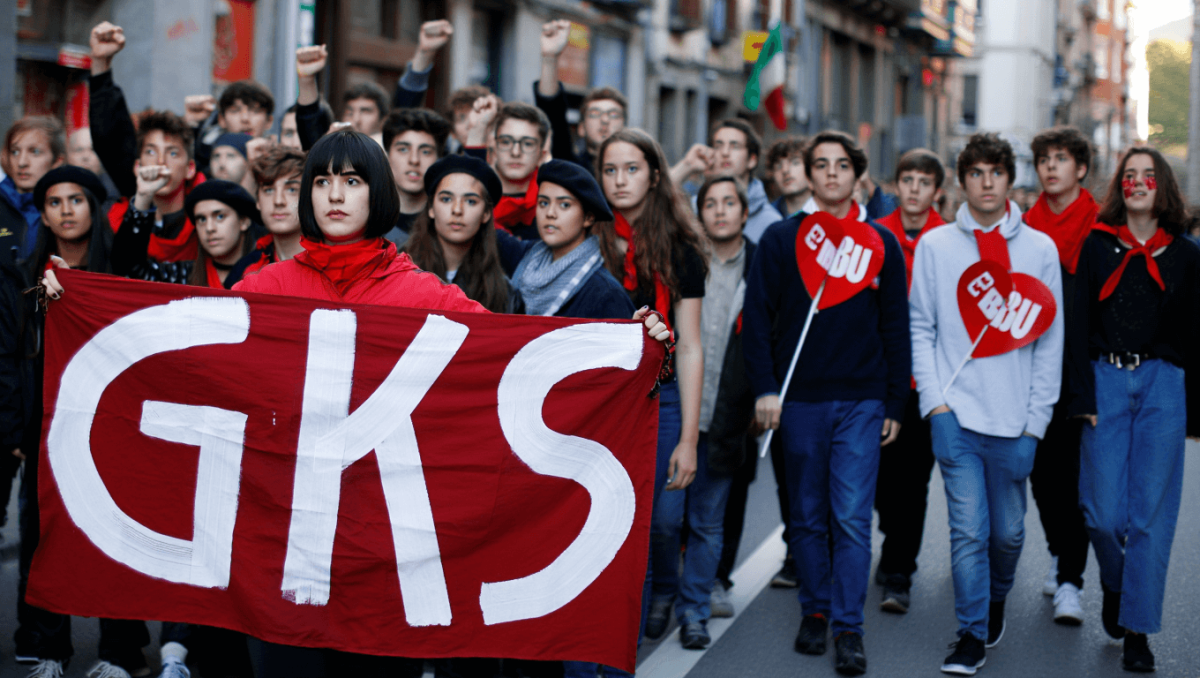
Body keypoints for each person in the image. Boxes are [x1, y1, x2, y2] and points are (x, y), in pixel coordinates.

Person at [32, 128, 669, 678]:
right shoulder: (267, 288)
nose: (335, 195)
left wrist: (636, 351)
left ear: (379, 194)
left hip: (385, 554)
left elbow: (509, 365)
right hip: (285, 544)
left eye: (354, 181)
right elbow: (180, 359)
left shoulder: (423, 293)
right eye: (323, 182)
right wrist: (78, 304)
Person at [743, 130, 910, 676]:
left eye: (842, 165)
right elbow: (759, 322)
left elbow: (895, 326)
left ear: (858, 174)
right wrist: (767, 388)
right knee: (809, 516)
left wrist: (894, 403)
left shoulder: (881, 243)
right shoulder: (780, 240)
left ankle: (848, 627)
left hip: (862, 399)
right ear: (808, 174)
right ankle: (813, 609)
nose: (832, 173)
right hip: (799, 400)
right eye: (821, 164)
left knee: (852, 518)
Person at [909, 133, 1063, 676]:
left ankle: (996, 599)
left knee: (1009, 533)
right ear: (962, 181)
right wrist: (936, 406)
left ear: (1011, 177)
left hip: (1015, 421)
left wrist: (1034, 425)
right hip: (957, 416)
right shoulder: (936, 247)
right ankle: (970, 633)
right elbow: (921, 327)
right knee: (969, 530)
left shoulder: (1040, 250)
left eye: (996, 171)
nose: (987, 182)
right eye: (975, 172)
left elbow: (1049, 344)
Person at [1067, 146, 1199, 673]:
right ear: (1119, 187)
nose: (1138, 183)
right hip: (1106, 380)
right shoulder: (1098, 246)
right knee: (1102, 514)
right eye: (1129, 176)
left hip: (1164, 386)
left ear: (1162, 186)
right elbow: (1077, 325)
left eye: (1148, 175)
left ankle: (1138, 630)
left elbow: (1197, 335)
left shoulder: (1188, 255)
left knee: (1150, 517)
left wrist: (1196, 412)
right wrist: (1081, 395)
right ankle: (1116, 583)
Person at [595, 128, 705, 658]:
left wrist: (689, 439)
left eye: (632, 169)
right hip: (602, 405)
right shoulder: (590, 239)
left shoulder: (681, 250)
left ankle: (666, 588)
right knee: (617, 519)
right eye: (610, 170)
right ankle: (621, 619)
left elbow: (690, 347)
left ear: (655, 176)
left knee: (663, 520)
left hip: (661, 402)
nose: (619, 180)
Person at [651, 175, 757, 650]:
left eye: (728, 202)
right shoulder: (682, 261)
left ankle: (694, 611)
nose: (719, 211)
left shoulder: (760, 265)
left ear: (744, 211)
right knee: (665, 519)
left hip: (728, 414)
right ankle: (662, 592)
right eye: (709, 203)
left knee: (707, 523)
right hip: (677, 411)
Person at [1023, 126, 1097, 626]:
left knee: (1077, 483)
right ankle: (1057, 551)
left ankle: (1071, 579)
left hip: (1082, 375)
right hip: (1030, 371)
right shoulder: (1022, 227)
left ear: (1081, 168)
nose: (1051, 167)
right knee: (1043, 481)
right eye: (1044, 159)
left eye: (1061, 158)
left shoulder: (1099, 229)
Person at [871, 148, 947, 615]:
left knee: (913, 481)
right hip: (878, 378)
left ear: (937, 190)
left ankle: (900, 570)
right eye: (907, 180)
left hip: (929, 383)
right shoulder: (876, 237)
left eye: (924, 181)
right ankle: (890, 536)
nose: (915, 189)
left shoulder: (952, 240)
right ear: (896, 185)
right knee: (878, 479)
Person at [88, 21, 205, 263]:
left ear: (191, 168)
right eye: (151, 151)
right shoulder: (116, 218)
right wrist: (100, 65)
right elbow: (110, 137)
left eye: (172, 153)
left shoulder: (209, 215)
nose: (160, 162)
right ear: (137, 165)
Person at [404, 154, 524, 313]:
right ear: (431, 208)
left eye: (470, 201)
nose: (457, 210)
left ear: (486, 213)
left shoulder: (504, 293)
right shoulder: (398, 269)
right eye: (446, 199)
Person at [512, 158, 630, 319]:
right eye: (543, 203)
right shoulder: (526, 261)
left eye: (564, 205)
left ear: (588, 218)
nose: (550, 213)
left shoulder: (606, 293)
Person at [111, 170, 258, 288]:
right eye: (201, 219)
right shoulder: (184, 275)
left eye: (220, 217)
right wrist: (143, 197)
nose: (209, 228)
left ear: (244, 222)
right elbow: (130, 271)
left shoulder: (267, 271)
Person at [668, 120, 782, 243]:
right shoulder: (695, 207)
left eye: (735, 146)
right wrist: (687, 165)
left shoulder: (771, 222)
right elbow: (650, 201)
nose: (725, 153)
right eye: (718, 146)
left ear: (752, 160)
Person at [535, 20, 626, 175]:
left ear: (624, 127)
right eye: (595, 113)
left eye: (613, 114)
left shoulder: (635, 173)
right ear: (582, 128)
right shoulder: (572, 170)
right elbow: (552, 113)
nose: (605, 120)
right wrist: (550, 57)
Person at [465, 99, 551, 240]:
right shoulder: (476, 192)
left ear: (542, 152)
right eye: (506, 141)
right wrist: (477, 129)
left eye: (528, 144)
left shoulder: (552, 202)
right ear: (494, 146)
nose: (515, 152)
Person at [227, 146, 307, 282]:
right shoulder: (243, 271)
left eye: (292, 190)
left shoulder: (332, 267)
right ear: (258, 201)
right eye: (269, 190)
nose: (278, 201)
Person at [382, 108, 452, 248]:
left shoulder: (450, 221)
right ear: (387, 156)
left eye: (425, 151)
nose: (414, 160)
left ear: (438, 160)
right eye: (403, 149)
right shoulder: (367, 220)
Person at [0, 117, 65, 264]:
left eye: (34, 152)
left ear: (57, 161)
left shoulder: (67, 209)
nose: (22, 162)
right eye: (15, 152)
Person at [766, 136, 809, 218]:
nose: (785, 170)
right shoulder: (766, 217)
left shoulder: (832, 212)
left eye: (795, 163)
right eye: (778, 166)